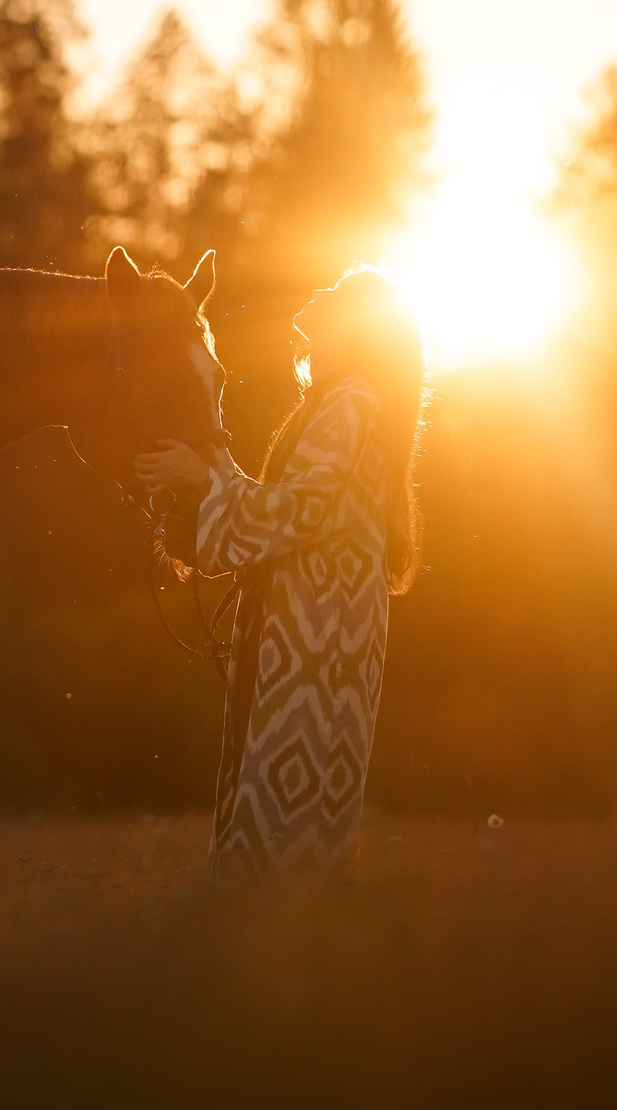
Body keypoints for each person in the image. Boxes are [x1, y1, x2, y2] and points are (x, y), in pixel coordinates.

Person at [135, 267, 426, 875]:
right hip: (319, 627)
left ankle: (271, 932)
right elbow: (296, 507)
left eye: (340, 294)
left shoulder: (350, 404)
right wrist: (208, 477)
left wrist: (204, 480)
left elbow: (296, 510)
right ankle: (289, 924)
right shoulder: (347, 403)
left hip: (316, 631)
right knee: (300, 788)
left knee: (286, 790)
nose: (320, 292)